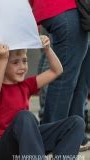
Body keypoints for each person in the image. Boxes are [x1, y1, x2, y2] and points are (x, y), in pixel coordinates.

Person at [0, 35, 85, 160]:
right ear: (2, 63)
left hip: (29, 144)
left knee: (76, 123)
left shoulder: (26, 85)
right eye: (15, 62)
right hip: (6, 148)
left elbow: (56, 71)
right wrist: (2, 60)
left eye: (24, 60)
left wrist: (47, 49)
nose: (22, 66)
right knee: (24, 116)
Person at [29, 0, 89, 143]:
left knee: (81, 78)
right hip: (63, 8)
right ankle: (50, 137)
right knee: (65, 79)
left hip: (72, 10)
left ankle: (75, 134)